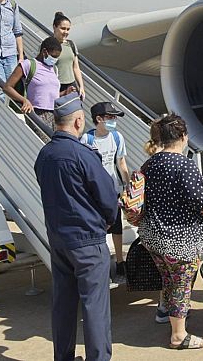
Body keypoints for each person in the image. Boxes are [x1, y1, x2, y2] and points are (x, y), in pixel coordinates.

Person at [34, 92, 117, 361]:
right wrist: (107, 220)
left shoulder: (44, 155)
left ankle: (64, 356)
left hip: (59, 241)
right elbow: (107, 196)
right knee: (95, 306)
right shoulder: (83, 155)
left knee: (64, 304)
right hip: (88, 241)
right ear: (79, 121)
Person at [138, 114, 203, 349]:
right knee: (181, 284)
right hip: (181, 240)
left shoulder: (150, 163)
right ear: (182, 137)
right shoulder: (184, 164)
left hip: (154, 236)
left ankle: (167, 314)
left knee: (169, 280)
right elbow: (199, 198)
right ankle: (178, 335)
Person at [80, 101, 130, 284]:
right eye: (110, 117)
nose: (113, 121)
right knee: (99, 229)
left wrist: (127, 185)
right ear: (98, 119)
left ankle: (119, 262)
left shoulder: (117, 137)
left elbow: (121, 163)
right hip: (94, 194)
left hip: (112, 190)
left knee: (117, 226)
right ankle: (101, 264)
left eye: (114, 117)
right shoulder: (87, 140)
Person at [3, 36, 62, 130]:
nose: (54, 60)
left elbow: (48, 92)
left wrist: (65, 93)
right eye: (53, 56)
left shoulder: (54, 69)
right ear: (44, 52)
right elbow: (7, 87)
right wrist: (24, 100)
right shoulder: (28, 64)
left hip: (55, 114)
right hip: (37, 112)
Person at [52, 12, 85, 100]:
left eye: (68, 29)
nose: (66, 32)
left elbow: (76, 67)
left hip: (71, 85)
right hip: (56, 86)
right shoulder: (48, 45)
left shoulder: (71, 44)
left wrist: (81, 86)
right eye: (63, 28)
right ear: (54, 27)